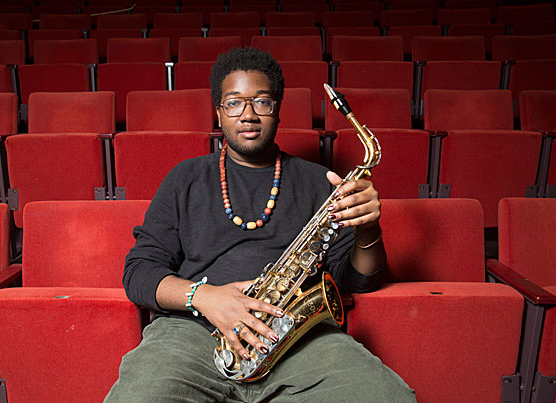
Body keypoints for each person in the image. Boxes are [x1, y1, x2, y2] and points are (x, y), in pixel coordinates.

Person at [105, 47, 416, 402]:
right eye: (234, 103)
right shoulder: (185, 178)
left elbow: (359, 279)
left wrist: (368, 229)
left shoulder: (320, 181)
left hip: (297, 336)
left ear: (278, 110)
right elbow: (139, 272)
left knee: (389, 397)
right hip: (193, 333)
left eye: (262, 102)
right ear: (219, 114)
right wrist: (204, 297)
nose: (248, 114)